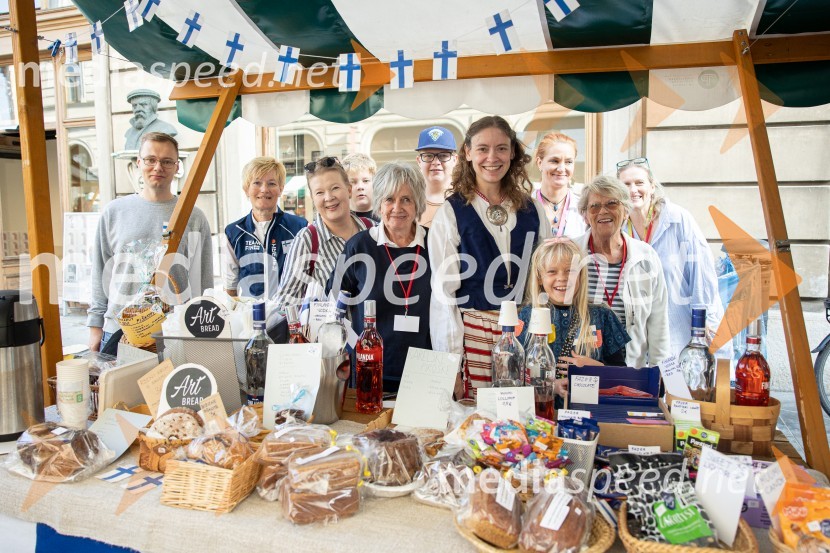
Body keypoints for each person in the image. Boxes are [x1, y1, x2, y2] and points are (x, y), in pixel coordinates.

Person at [429, 116, 550, 397]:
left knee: (522, 425)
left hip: (524, 331)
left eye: (501, 148)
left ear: (513, 153)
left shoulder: (534, 209)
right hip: (474, 333)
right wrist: (451, 364)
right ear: (468, 153)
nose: (492, 157)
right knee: (478, 428)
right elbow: (443, 294)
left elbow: (543, 281)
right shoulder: (451, 212)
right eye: (483, 149)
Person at [87, 132, 213, 352]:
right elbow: (100, 272)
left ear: (176, 166)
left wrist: (201, 329)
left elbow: (202, 281)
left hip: (175, 333)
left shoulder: (194, 217)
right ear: (138, 163)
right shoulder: (114, 212)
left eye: (166, 161)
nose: (158, 167)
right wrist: (95, 326)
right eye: (150, 160)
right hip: (120, 330)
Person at [326, 162, 431, 392]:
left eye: (406, 199)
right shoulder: (360, 246)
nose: (397, 207)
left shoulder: (434, 245)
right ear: (379, 204)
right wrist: (355, 346)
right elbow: (334, 302)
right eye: (389, 199)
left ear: (417, 204)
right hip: (370, 368)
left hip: (424, 369)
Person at [617, 158, 724, 357]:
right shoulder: (620, 228)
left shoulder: (677, 219)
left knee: (678, 384)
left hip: (681, 328)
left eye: (639, 183)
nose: (633, 190)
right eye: (626, 184)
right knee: (649, 385)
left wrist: (702, 317)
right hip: (640, 333)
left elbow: (701, 271)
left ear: (652, 186)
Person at [574, 175, 671, 368]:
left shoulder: (646, 257)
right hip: (581, 370)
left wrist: (661, 378)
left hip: (632, 372)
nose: (603, 211)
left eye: (612, 203)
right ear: (585, 215)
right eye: (594, 206)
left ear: (626, 211)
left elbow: (659, 326)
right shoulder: (572, 254)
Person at [517, 239, 630, 403]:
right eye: (552, 272)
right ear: (539, 277)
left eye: (570, 271)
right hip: (539, 418)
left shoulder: (603, 316)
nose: (562, 278)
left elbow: (623, 378)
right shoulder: (525, 318)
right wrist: (551, 386)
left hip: (592, 415)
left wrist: (596, 368)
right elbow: (513, 377)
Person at [274, 157, 374, 308]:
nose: (329, 197)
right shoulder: (307, 239)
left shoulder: (373, 230)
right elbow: (284, 304)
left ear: (348, 189)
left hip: (373, 331)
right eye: (320, 192)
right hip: (327, 331)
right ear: (313, 198)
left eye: (335, 188)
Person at [222, 157, 307, 299]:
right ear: (246, 189)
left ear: (281, 189)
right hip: (252, 316)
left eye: (271, 183)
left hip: (290, 316)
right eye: (257, 183)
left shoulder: (299, 227)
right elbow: (230, 288)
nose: (264, 189)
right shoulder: (234, 232)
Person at [533, 132, 587, 238]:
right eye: (554, 161)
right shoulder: (524, 207)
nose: (561, 168)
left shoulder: (584, 209)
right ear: (540, 163)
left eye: (568, 162)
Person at [415, 125, 457, 228]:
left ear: (455, 160)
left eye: (443, 156)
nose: (436, 162)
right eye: (428, 156)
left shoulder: (467, 200)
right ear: (419, 161)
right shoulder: (410, 202)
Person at [342, 153, 379, 222]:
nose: (360, 187)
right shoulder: (340, 222)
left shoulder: (385, 220)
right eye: (353, 182)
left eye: (366, 181)